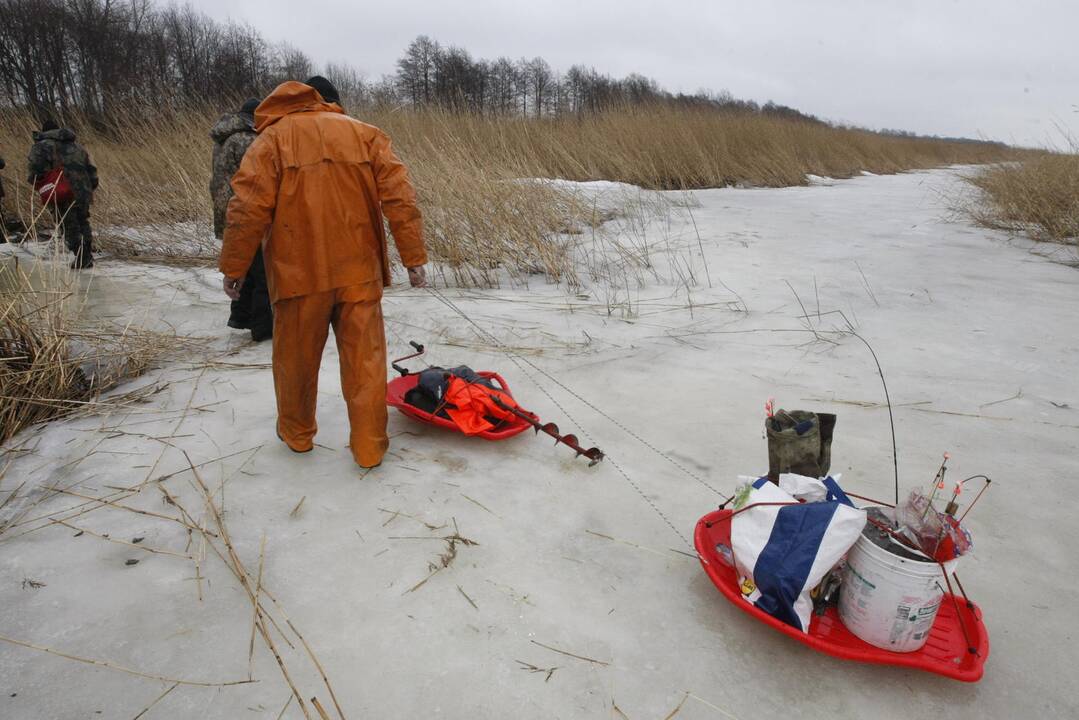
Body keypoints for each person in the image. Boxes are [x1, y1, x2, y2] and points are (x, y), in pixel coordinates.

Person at [220, 77, 428, 470]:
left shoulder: (270, 141)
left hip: (297, 275)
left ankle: (298, 438)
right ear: (325, 101)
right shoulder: (367, 135)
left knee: (295, 360)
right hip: (359, 273)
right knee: (365, 362)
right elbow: (401, 198)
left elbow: (246, 208)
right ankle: (369, 448)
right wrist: (413, 256)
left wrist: (235, 267)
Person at [211, 97, 272, 341]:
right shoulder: (249, 139)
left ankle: (240, 315)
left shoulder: (224, 138)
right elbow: (260, 179)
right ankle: (263, 328)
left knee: (245, 263)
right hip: (246, 209)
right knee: (263, 270)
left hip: (226, 208)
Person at [27, 119, 98, 268]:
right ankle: (87, 256)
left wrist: (38, 184)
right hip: (83, 190)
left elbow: (35, 170)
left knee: (68, 224)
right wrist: (89, 188)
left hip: (61, 191)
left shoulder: (41, 147)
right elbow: (91, 170)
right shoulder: (78, 147)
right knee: (83, 221)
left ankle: (81, 258)